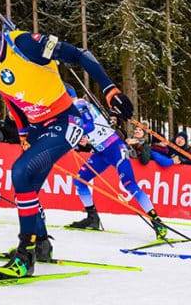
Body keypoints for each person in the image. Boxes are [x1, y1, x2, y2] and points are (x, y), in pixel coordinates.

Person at [0, 0, 132, 279]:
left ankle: (25, 255)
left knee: (21, 171)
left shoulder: (24, 43)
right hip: (37, 126)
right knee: (29, 184)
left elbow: (79, 55)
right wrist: (23, 131)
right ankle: (42, 244)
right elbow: (11, 99)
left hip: (67, 118)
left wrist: (110, 90)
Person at [66, 97, 168, 241]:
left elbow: (90, 126)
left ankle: (157, 221)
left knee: (130, 185)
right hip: (101, 153)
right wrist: (84, 140)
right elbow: (91, 131)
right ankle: (92, 217)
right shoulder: (71, 111)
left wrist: (78, 135)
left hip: (116, 149)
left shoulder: (79, 104)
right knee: (80, 181)